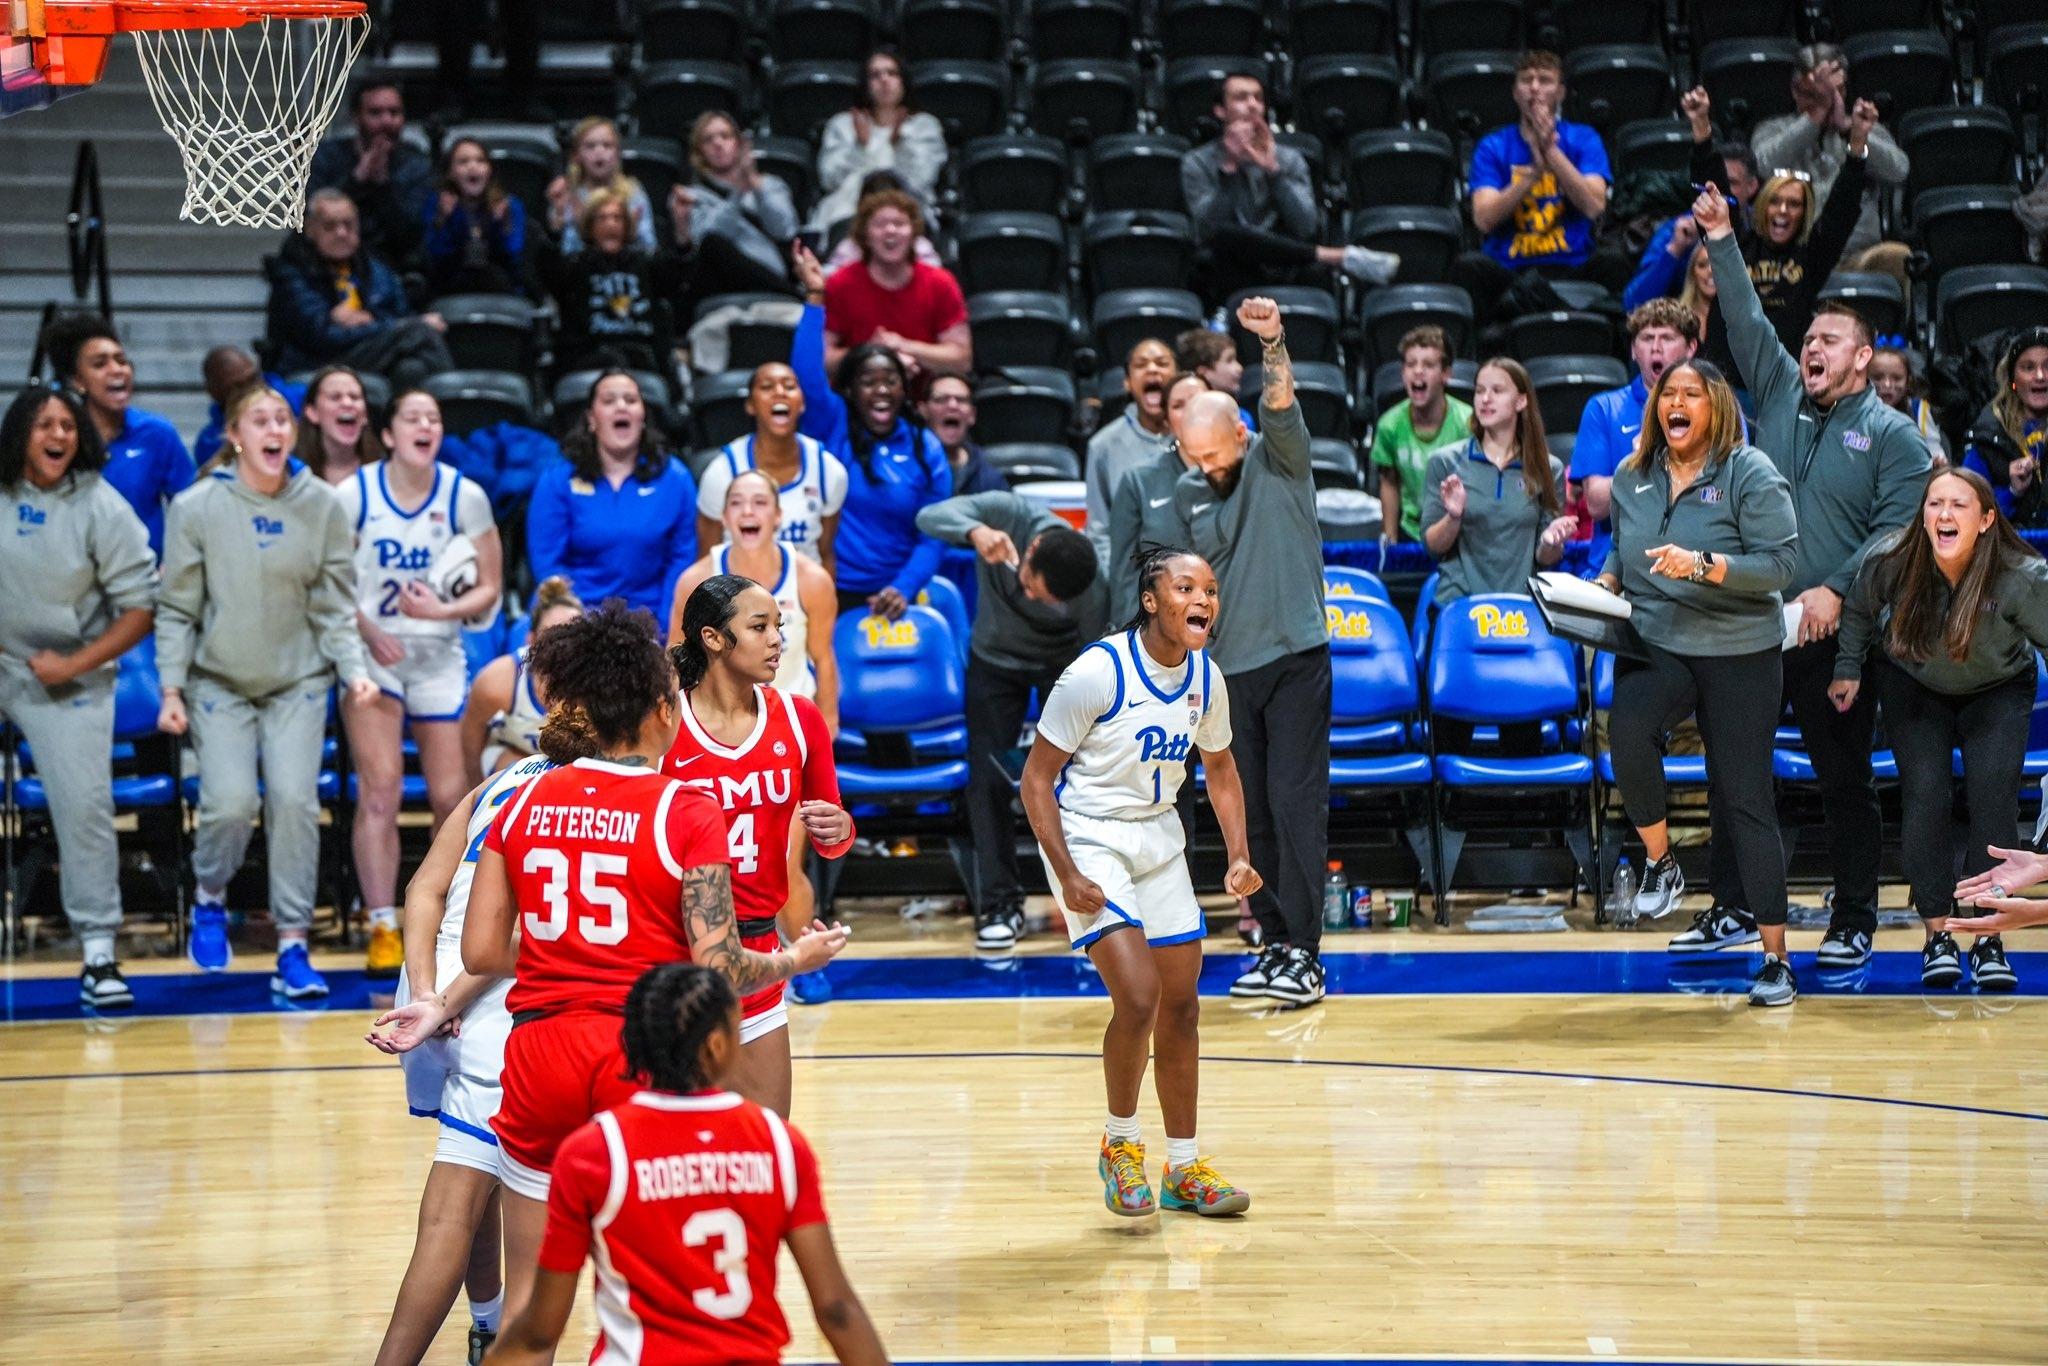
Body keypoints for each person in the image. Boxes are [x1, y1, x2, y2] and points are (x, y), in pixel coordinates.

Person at [456, 601, 849, 1327]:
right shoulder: (684, 810)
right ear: (663, 709)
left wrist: (563, 946)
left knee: (530, 1317)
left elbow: (480, 951)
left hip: (538, 1053)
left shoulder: (524, 795)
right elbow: (723, 966)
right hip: (632, 1051)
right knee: (647, 1299)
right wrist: (796, 956)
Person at [1698, 184, 1928, 970]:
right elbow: (1746, 320)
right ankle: (1731, 907)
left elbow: (1897, 535)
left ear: (1863, 357)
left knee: (1843, 779)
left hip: (1843, 635)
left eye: (1830, 339)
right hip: (1759, 623)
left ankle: (1854, 916)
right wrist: (1725, 238)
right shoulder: (1784, 392)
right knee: (1735, 771)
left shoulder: (1896, 438)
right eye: (1810, 339)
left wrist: (1835, 592)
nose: (1812, 349)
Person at [480, 963, 890, 1366]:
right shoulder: (779, 1144)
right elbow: (836, 1308)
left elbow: (538, 1332)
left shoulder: (595, 1151)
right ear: (716, 1045)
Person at [1019, 546, 1258, 1217]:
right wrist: (1065, 872)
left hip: (1158, 837)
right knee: (1140, 995)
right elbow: (1036, 779)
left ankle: (1183, 1168)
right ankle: (1121, 1146)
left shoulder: (1206, 679)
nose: (1203, 600)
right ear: (1152, 600)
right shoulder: (1097, 672)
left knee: (1183, 1005)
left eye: (1210, 588)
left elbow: (1223, 769)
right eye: (1186, 587)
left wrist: (1237, 854)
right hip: (1091, 835)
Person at [363, 737, 584, 1366]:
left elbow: (423, 888)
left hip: (427, 973)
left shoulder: (509, 774)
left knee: (476, 1174)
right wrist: (447, 1004)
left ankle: (486, 1325)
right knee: (459, 1204)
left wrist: (426, 989)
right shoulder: (587, 797)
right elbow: (519, 930)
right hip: (487, 999)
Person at [156, 386, 378, 994]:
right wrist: (171, 688)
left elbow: (335, 606)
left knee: (295, 803)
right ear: (235, 435)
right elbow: (176, 609)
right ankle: (208, 893)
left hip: (297, 681)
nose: (275, 428)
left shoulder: (324, 506)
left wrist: (353, 669)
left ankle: (293, 945)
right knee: (229, 803)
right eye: (261, 420)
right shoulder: (198, 506)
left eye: (282, 418)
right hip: (219, 681)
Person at [1593, 359, 1800, 1004]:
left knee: (1744, 800)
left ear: (1716, 407)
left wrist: (1705, 565)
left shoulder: (1749, 472)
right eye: (1667, 394)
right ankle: (1661, 862)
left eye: (1691, 394)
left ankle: (1775, 958)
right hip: (1661, 642)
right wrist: (1605, 582)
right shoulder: (1632, 477)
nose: (1675, 403)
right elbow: (1621, 544)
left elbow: (1782, 566)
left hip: (1741, 650)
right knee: (1626, 727)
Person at [1832, 467, 2048, 993]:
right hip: (1914, 683)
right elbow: (1859, 609)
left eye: (1958, 505)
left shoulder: (2020, 574)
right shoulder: (1892, 559)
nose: (1944, 514)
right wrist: (1847, 666)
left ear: (1986, 520)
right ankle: (1938, 934)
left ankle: (1988, 936)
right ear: (1922, 515)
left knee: (1993, 802)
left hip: (1997, 687)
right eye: (1934, 504)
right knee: (1925, 798)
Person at [1172, 298, 1330, 1007]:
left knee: (1297, 805)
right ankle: (1272, 940)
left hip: (1296, 658)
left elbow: (1280, 397)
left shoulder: (1280, 458)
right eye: (1195, 458)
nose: (1209, 468)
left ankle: (1308, 952)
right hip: (1228, 675)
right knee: (1251, 813)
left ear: (1240, 433)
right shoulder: (1189, 491)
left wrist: (1272, 343)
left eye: (1217, 453)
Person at [663, 575, 855, 1112]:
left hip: (758, 951)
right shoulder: (665, 723)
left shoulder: (800, 718)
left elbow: (834, 834)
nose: (777, 639)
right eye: (759, 627)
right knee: (677, 1142)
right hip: (673, 950)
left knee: (768, 1140)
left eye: (779, 626)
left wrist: (839, 830)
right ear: (713, 638)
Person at [338, 388, 504, 977]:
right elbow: (327, 577)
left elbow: (490, 585)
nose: (425, 424)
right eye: (412, 417)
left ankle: (441, 920)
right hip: (373, 654)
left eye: (433, 417)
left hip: (438, 653)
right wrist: (369, 629)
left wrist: (438, 612)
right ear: (387, 434)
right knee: (379, 790)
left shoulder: (465, 495)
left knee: (450, 796)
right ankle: (382, 924)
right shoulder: (354, 493)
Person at [0, 385, 155, 1009]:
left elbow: (140, 607)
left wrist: (74, 664)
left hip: (69, 671)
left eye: (67, 424)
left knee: (85, 806)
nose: (58, 434)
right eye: (43, 425)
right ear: (19, 434)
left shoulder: (100, 503)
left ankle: (97, 951)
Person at [916, 489, 1108, 949]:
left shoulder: (1092, 585)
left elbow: (1099, 657)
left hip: (1065, 666)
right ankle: (1001, 905)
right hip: (994, 663)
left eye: (1038, 598)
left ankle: (1089, 903)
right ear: (1033, 550)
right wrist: (974, 530)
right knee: (986, 782)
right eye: (1026, 582)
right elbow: (928, 515)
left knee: (1083, 781)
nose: (1026, 594)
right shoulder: (1011, 514)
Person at [791, 244, 951, 620]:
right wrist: (816, 297)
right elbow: (808, 379)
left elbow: (935, 531)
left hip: (901, 596)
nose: (880, 389)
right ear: (850, 390)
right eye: (868, 381)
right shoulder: (834, 424)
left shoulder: (924, 446)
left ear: (903, 389)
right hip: (834, 592)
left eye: (890, 381)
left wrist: (904, 587)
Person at [1421, 357, 1573, 752]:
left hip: (1517, 619)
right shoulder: (1446, 462)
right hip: (1460, 610)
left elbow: (1545, 557)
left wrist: (1553, 541)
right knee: (1451, 741)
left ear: (1521, 401)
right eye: (1479, 390)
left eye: (1497, 390)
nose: (1484, 399)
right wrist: (1453, 515)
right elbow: (1433, 545)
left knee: (1521, 742)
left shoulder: (1547, 467)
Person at [1182, 71, 1398, 303]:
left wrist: (1274, 172)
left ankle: (1327, 261)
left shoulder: (1289, 159)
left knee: (1313, 272)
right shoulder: (1198, 162)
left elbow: (1306, 226)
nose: (1253, 105)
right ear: (1220, 111)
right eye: (1241, 98)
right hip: (1233, 266)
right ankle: (1336, 256)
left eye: (1258, 98)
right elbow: (1207, 230)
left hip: (1287, 264)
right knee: (1225, 236)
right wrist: (1230, 168)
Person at [1457, 50, 1626, 319]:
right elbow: (1484, 220)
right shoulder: (1493, 145)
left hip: (1573, 263)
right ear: (1515, 92)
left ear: (1560, 92)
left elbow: (1594, 206)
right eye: (1526, 80)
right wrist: (1533, 173)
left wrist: (1551, 153)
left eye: (1544, 80)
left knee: (1614, 263)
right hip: (1510, 269)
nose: (1534, 87)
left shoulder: (1583, 138)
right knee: (1470, 267)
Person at [1709, 88, 1877, 355]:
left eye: (1794, 203)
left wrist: (1857, 144)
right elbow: (1713, 192)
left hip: (1785, 381)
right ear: (1762, 205)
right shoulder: (1736, 243)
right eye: (1775, 201)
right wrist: (1699, 129)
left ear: (1804, 211)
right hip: (1731, 383)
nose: (1783, 210)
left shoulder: (1812, 255)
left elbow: (1840, 211)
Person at [672, 472, 841, 733]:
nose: (748, 511)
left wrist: (829, 722)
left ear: (778, 516)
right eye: (737, 503)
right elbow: (676, 658)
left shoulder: (812, 580)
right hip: (717, 727)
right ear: (725, 517)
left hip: (791, 722)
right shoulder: (695, 580)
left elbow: (823, 657)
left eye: (760, 502)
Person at [526, 370, 699, 623]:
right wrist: (575, 623)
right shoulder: (557, 479)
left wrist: (666, 626)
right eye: (609, 401)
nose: (621, 406)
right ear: (591, 419)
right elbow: (549, 565)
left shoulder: (675, 478)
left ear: (642, 418)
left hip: (650, 616)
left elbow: (681, 562)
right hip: (578, 614)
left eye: (630, 400)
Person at [39, 310, 195, 559]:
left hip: (144, 581)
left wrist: (175, 564)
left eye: (121, 360)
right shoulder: (60, 440)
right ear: (78, 380)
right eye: (100, 364)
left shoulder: (157, 433)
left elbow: (192, 511)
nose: (117, 370)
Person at [1751, 43, 1912, 281]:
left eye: (1835, 94)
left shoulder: (1863, 128)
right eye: (1814, 95)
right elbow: (1763, 165)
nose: (1827, 103)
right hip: (1794, 263)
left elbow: (1899, 170)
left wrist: (1850, 131)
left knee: (1897, 256)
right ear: (1795, 91)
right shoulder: (1774, 130)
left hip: (1858, 257)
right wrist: (1813, 120)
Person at [266, 189, 455, 387]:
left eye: (348, 225)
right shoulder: (291, 273)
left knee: (411, 368)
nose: (341, 233)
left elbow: (401, 316)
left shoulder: (376, 268)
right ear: (311, 229)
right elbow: (321, 336)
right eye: (330, 226)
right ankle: (453, 405)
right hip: (317, 361)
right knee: (419, 330)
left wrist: (368, 321)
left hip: (370, 353)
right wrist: (386, 326)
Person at [1622, 88, 1762, 312]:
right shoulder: (1677, 231)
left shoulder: (1763, 229)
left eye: (1730, 184)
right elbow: (1634, 303)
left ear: (1752, 186)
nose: (1719, 192)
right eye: (1713, 185)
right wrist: (1675, 250)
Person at [695, 361, 849, 566]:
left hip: (803, 593)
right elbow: (706, 561)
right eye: (767, 387)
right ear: (750, 405)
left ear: (802, 403)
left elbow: (825, 553)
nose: (780, 392)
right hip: (737, 594)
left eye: (790, 386)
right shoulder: (721, 473)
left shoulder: (829, 471)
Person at [1574, 301, 1701, 536]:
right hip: (1615, 559)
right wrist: (1639, 461)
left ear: (1691, 347)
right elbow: (1596, 505)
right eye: (1646, 338)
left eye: (1667, 338)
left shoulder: (1716, 407)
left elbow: (1727, 494)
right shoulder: (1603, 408)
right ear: (1633, 350)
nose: (1656, 347)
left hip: (1688, 553)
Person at [538, 187, 689, 376]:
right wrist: (556, 227)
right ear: (590, 226)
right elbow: (548, 273)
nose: (611, 224)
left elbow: (679, 277)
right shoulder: (576, 267)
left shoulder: (646, 265)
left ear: (626, 226)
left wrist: (681, 229)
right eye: (602, 218)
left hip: (642, 360)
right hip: (589, 359)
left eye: (617, 218)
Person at [821, 190, 971, 376]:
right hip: (859, 395)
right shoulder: (840, 284)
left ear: (913, 234)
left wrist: (903, 346)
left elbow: (961, 359)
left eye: (899, 224)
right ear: (865, 236)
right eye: (880, 224)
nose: (890, 230)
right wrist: (871, 354)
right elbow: (821, 359)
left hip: (925, 397)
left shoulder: (941, 282)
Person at [809, 48, 946, 235]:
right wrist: (859, 146)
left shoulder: (925, 126)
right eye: (875, 75)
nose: (884, 80)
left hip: (906, 216)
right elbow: (830, 180)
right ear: (865, 84)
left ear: (903, 81)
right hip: (847, 215)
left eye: (892, 73)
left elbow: (923, 180)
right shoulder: (843, 125)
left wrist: (900, 145)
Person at [1107, 374, 1209, 623]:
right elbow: (1124, 574)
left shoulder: (1244, 475)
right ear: (1167, 420)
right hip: (1162, 629)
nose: (1190, 412)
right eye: (1178, 405)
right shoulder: (1138, 480)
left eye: (1198, 401)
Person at [462, 576, 584, 785]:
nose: (563, 644)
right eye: (552, 633)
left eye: (572, 634)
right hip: (512, 757)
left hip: (574, 762)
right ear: (531, 639)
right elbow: (471, 738)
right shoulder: (499, 680)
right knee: (523, 775)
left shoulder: (601, 681)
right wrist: (475, 794)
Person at [307, 77, 435, 262]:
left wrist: (383, 185)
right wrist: (357, 179)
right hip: (328, 264)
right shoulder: (327, 156)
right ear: (356, 117)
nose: (386, 121)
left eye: (394, 112)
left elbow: (412, 235)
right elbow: (310, 221)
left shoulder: (416, 164)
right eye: (375, 113)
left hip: (395, 265)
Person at [1369, 326, 1473, 544]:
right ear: (1403, 373)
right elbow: (1389, 482)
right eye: (1410, 364)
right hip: (1411, 531)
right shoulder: (1390, 424)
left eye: (1428, 365)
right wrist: (1390, 536)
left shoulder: (1469, 424)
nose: (1418, 371)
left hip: (1459, 530)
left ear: (1446, 374)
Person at [1085, 338, 1180, 561]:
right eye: (1141, 364)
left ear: (1177, 376)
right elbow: (1099, 531)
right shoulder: (1103, 445)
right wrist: (1118, 583)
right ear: (1127, 382)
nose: (1152, 369)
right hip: (1132, 576)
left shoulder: (1198, 435)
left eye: (1162, 363)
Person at [686, 110, 799, 285]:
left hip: (772, 282)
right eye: (708, 139)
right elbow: (707, 242)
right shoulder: (692, 196)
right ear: (700, 152)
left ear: (739, 143)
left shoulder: (770, 185)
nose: (718, 143)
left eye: (725, 136)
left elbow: (785, 230)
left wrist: (755, 185)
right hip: (720, 285)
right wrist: (738, 193)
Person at [421, 138, 532, 300]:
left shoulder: (509, 205)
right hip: (450, 287)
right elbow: (435, 256)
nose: (473, 166)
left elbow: (514, 254)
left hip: (502, 287)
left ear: (489, 170)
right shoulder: (437, 204)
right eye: (463, 162)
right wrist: (450, 220)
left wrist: (497, 224)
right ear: (451, 173)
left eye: (480, 161)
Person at [1962, 327, 2048, 526]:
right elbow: (1968, 517)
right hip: (2008, 552)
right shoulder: (1987, 437)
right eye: (2028, 367)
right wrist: (2012, 491)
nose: (2041, 376)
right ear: (2013, 381)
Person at [545, 117, 655, 254]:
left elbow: (650, 249)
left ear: (618, 153)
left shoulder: (634, 193)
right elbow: (560, 253)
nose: (599, 151)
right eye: (590, 146)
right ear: (576, 155)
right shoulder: (565, 194)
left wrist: (630, 232)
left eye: (607, 145)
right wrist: (559, 217)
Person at [194, 346, 305, 470]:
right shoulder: (211, 442)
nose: (252, 389)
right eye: (239, 386)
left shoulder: (302, 399)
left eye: (253, 378)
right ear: (214, 392)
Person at [921, 370, 1008, 496]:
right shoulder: (904, 467)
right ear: (924, 411)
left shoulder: (989, 476)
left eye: (961, 400)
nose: (952, 405)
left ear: (972, 415)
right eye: (941, 399)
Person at [291, 365, 380, 485]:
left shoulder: (385, 470)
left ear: (365, 415)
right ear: (312, 413)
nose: (347, 403)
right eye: (335, 397)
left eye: (354, 397)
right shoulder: (291, 472)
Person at [1869, 343, 1947, 467]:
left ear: (1908, 382)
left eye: (1897, 378)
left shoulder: (1918, 410)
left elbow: (1936, 455)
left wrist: (1935, 463)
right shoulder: (1856, 411)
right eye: (1878, 378)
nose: (1887, 385)